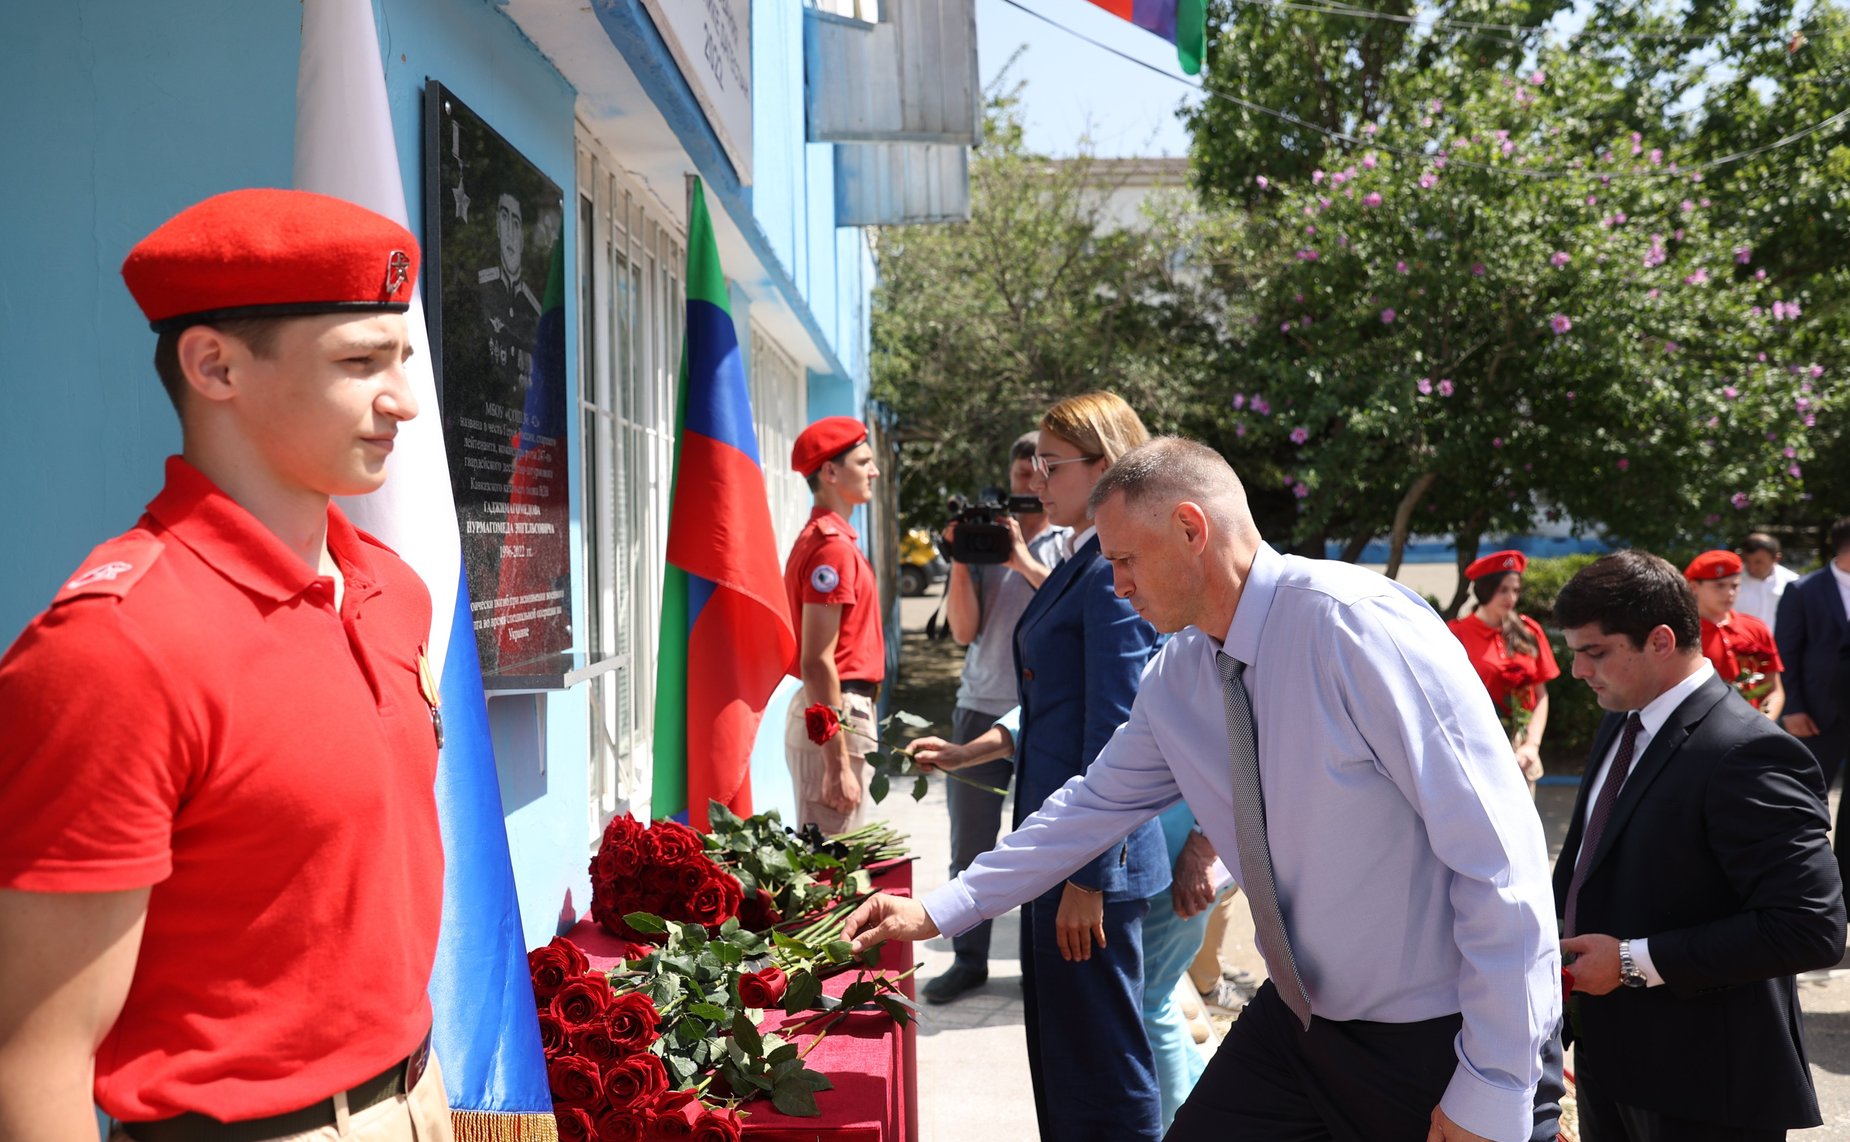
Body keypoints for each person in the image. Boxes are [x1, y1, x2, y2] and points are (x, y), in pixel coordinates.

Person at [860, 437, 1562, 1142]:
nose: (1119, 585)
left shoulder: (1355, 627)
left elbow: (1499, 857)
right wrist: (940, 910)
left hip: (1438, 1039)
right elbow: (1091, 805)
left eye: (1127, 561)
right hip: (1301, 1023)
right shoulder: (1180, 678)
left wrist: (1495, 1083)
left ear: (1193, 529)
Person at [0, 189, 451, 1139]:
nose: (405, 400)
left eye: (402, 357)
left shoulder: (391, 590)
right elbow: (36, 1054)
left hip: (418, 1101)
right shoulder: (116, 648)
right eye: (360, 361)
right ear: (215, 366)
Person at [907, 392, 1170, 1141]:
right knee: (1064, 1058)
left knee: (1102, 1068)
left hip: (1088, 869)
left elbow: (1116, 729)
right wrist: (977, 748)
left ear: (1107, 466)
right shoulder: (1080, 557)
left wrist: (1090, 875)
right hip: (1061, 852)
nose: (1036, 481)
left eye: (1052, 467)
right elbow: (1059, 703)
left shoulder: (1111, 575)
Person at [1552, 550, 1844, 1141]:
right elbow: (1589, 862)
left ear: (1660, 641)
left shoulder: (1748, 751)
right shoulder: (1623, 715)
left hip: (1706, 1083)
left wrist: (1633, 963)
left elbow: (1810, 927)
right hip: (1612, 1059)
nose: (1578, 671)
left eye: (1595, 652)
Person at [923, 431, 1069, 1006]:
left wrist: (1020, 559)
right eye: (1018, 480)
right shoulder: (983, 541)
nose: (1029, 489)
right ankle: (969, 960)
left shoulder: (1069, 543)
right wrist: (964, 559)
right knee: (972, 844)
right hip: (981, 704)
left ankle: (1042, 966)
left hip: (1044, 711)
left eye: (1039, 476)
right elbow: (963, 631)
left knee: (1043, 845)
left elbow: (1064, 603)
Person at [782, 416, 884, 833]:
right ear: (830, 472)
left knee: (835, 863)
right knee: (832, 873)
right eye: (863, 462)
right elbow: (818, 661)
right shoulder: (831, 550)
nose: (874, 471)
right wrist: (836, 762)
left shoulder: (828, 539)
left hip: (830, 713)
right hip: (833, 717)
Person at [1775, 517, 1850, 892]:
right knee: (1807, 805)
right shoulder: (1803, 590)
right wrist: (1794, 708)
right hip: (1817, 716)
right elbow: (1786, 652)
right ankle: (1805, 889)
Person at [1446, 550, 1560, 797]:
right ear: (1486, 590)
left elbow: (1540, 694)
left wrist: (1531, 744)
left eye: (1516, 590)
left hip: (1520, 750)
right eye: (1503, 590)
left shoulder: (1529, 631)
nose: (1511, 597)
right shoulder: (1456, 634)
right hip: (1475, 747)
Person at [1684, 549, 1785, 718]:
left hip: (1752, 725)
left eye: (1735, 585)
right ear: (1694, 587)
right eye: (1719, 586)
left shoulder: (1756, 628)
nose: (1729, 593)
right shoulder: (1682, 633)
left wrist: (1762, 724)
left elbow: (1774, 690)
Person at [1736, 532, 1800, 629]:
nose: (1752, 568)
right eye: (1747, 561)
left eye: (1759, 562)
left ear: (1776, 558)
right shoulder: (1730, 581)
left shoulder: (1792, 583)